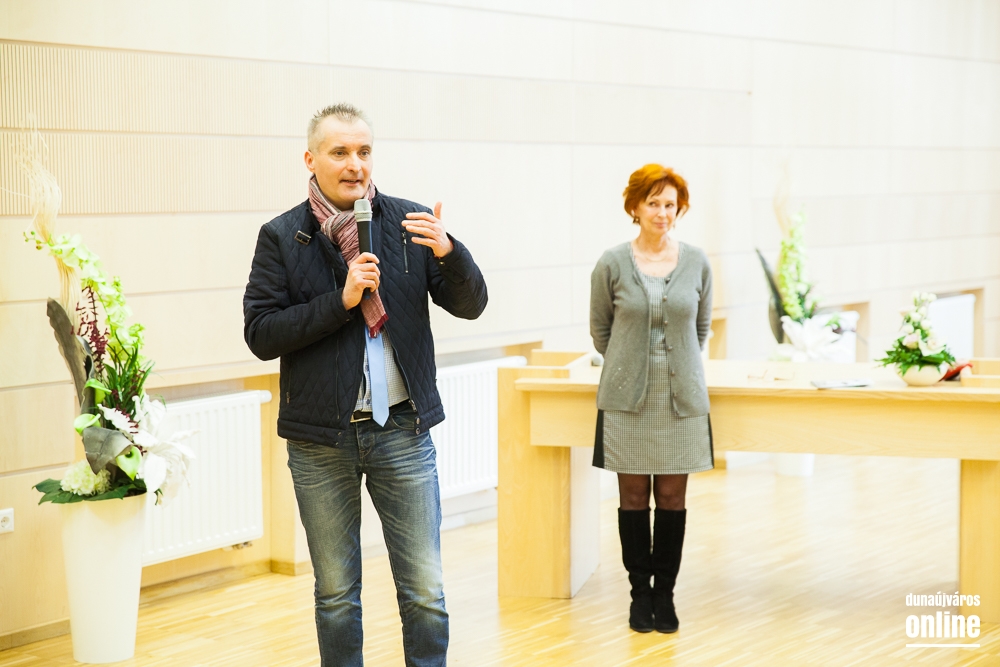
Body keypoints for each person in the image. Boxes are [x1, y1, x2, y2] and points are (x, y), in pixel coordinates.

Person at [243, 103, 488, 667]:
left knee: (425, 591)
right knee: (335, 596)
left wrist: (451, 252)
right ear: (311, 159)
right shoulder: (282, 236)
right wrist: (342, 300)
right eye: (340, 152)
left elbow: (472, 304)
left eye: (364, 151)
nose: (355, 164)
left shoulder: (409, 223)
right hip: (319, 442)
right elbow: (261, 333)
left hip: (402, 430)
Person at [589, 164, 713, 634]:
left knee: (673, 497)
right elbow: (601, 331)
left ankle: (666, 594)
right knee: (634, 497)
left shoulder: (697, 262)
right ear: (635, 207)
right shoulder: (611, 263)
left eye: (670, 204)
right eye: (654, 203)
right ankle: (639, 595)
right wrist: (628, 365)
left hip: (682, 401)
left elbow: (700, 329)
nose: (663, 212)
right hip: (627, 401)